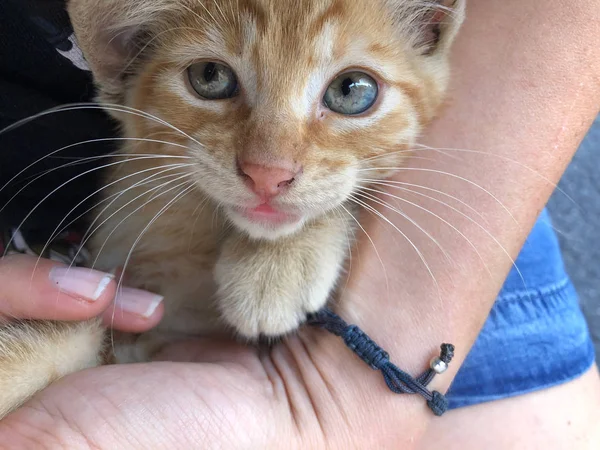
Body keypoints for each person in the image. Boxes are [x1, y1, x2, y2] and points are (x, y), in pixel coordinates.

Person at [1, 0, 599, 448]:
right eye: (212, 78)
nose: (270, 165)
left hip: (454, 195)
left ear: (430, 27)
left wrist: (330, 401)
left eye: (349, 90)